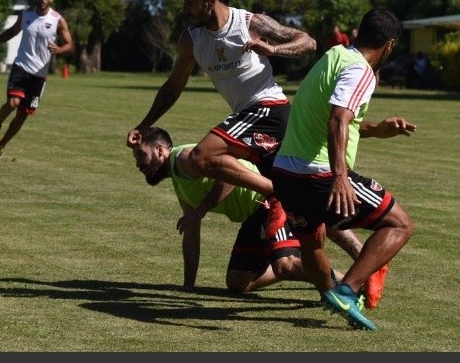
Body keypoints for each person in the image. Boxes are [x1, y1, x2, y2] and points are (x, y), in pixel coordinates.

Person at [126, 0, 317, 239]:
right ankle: (363, 266)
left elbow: (307, 42)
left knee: (202, 155)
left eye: (190, 2)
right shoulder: (191, 40)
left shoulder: (249, 23)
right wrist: (145, 125)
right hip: (250, 120)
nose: (185, 9)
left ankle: (272, 192)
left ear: (211, 0)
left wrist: (274, 49)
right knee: (304, 201)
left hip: (268, 108)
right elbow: (173, 87)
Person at [271, 7, 416, 331]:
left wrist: (376, 129)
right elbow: (338, 118)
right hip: (319, 174)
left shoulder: (333, 56)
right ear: (389, 45)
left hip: (284, 173)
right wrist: (340, 177)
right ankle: (348, 291)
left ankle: (330, 296)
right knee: (400, 224)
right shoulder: (360, 70)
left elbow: (335, 118)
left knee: (311, 240)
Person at [133, 127, 391, 306]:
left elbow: (227, 178)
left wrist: (200, 211)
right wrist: (188, 285)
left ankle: (347, 282)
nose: (138, 164)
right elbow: (191, 233)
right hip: (253, 213)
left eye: (141, 155)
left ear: (159, 151)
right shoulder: (179, 178)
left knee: (286, 263)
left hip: (269, 199)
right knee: (238, 283)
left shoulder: (185, 158)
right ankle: (347, 267)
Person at [0, 0, 74, 159]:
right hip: (21, 66)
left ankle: (2, 145)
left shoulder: (58, 20)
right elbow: (12, 31)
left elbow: (70, 44)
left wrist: (60, 49)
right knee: (12, 103)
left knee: (22, 115)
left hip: (39, 76)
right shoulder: (26, 15)